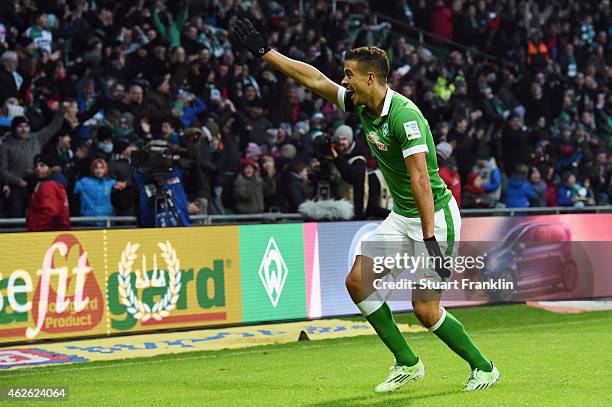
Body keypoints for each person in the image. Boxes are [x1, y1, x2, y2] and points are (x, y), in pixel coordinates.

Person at [231, 19, 498, 393]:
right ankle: (407, 362)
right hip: (404, 215)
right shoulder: (360, 104)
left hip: (435, 218)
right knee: (357, 282)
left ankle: (484, 367)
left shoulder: (405, 117)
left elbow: (421, 180)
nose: (343, 81)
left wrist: (429, 240)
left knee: (424, 309)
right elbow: (315, 80)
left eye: (349, 75)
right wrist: (267, 53)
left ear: (370, 78)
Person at [26, 154, 70, 232]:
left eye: (42, 165)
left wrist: (36, 228)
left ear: (50, 168)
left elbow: (50, 211)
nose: (38, 168)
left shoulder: (49, 185)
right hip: (54, 232)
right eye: (37, 166)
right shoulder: (56, 184)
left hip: (47, 232)